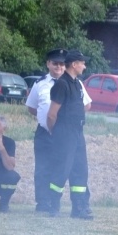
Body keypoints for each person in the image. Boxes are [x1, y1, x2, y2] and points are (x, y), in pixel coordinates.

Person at [46, 50, 93, 219]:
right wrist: (55, 132)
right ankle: (53, 204)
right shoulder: (62, 84)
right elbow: (52, 114)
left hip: (77, 132)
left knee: (80, 169)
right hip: (64, 132)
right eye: (82, 63)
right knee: (61, 169)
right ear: (74, 64)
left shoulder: (77, 83)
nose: (84, 66)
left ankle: (78, 208)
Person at [25, 48, 67, 213]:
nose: (59, 67)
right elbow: (31, 107)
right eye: (55, 63)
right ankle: (42, 202)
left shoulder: (74, 83)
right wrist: (46, 119)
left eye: (62, 64)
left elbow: (86, 105)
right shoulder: (40, 83)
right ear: (48, 64)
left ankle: (54, 202)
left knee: (60, 168)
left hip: (64, 135)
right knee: (42, 168)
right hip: (44, 133)